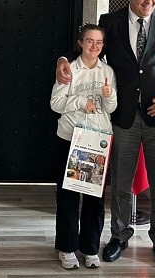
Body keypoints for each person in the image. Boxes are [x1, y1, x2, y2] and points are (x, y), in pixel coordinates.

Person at [56, 0, 155, 271]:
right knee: (120, 181)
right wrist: (63, 59)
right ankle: (119, 236)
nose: (149, 1)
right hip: (122, 115)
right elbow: (88, 48)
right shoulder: (110, 22)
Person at [50, 23, 117, 270]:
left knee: (94, 200)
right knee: (67, 196)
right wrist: (80, 101)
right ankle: (67, 247)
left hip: (98, 141)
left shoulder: (107, 70)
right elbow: (55, 103)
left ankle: (90, 248)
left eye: (99, 42)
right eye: (89, 41)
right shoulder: (69, 68)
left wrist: (108, 95)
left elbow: (111, 108)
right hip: (70, 138)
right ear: (80, 43)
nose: (94, 46)